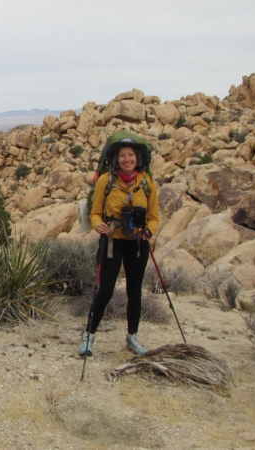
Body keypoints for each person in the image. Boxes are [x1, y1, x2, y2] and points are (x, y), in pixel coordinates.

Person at [79, 132, 159, 357]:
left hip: (137, 244)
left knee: (135, 292)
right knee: (104, 290)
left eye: (131, 155)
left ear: (138, 158)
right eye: (122, 155)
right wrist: (98, 226)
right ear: (116, 159)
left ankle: (133, 337)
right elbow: (95, 213)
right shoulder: (106, 180)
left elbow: (154, 216)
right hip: (112, 242)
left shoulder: (147, 182)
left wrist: (150, 230)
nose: (127, 159)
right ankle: (89, 335)